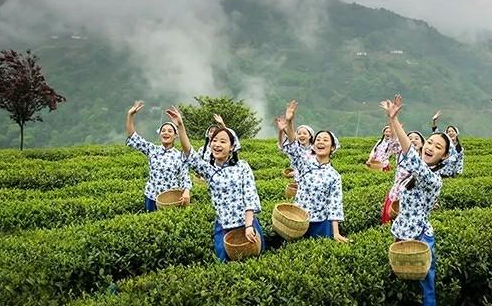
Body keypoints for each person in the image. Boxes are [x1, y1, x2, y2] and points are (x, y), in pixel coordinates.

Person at [382, 95, 446, 306]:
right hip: (402, 234)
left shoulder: (431, 177)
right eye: (429, 142)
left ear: (443, 158)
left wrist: (394, 120)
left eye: (437, 147)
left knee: (424, 288)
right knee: (405, 287)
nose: (430, 147)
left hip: (419, 238)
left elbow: (409, 151)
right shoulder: (415, 173)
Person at [166, 107, 265, 262]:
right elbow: (189, 154)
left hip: (246, 225)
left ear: (232, 147)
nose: (217, 144)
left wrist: (248, 226)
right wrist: (180, 126)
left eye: (223, 141)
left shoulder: (242, 167)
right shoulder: (209, 169)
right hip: (223, 226)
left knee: (253, 264)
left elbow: (250, 197)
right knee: (224, 267)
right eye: (214, 141)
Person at [275, 100, 348, 241]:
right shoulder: (305, 163)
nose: (320, 142)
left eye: (325, 140)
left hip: (322, 224)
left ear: (332, 147)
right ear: (313, 146)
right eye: (318, 139)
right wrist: (290, 122)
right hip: (299, 221)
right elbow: (293, 145)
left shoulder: (334, 176)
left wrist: (336, 233)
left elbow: (335, 204)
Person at [125, 101, 191, 212]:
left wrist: (186, 191)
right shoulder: (152, 149)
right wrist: (130, 115)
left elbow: (185, 176)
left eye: (170, 131)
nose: (166, 133)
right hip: (151, 196)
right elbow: (133, 136)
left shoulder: (179, 155)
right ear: (160, 135)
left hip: (170, 199)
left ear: (175, 136)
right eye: (163, 131)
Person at [381, 130, 425, 224]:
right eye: (409, 139)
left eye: (416, 138)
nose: (413, 140)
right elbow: (393, 142)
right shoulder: (401, 155)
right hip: (396, 197)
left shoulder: (425, 161)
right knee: (390, 225)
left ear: (422, 144)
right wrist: (393, 122)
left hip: (413, 201)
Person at [431, 111, 464, 177]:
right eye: (449, 131)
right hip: (439, 173)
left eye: (452, 131)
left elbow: (460, 162)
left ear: (456, 133)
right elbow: (436, 134)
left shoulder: (460, 149)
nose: (451, 133)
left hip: (450, 175)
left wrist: (457, 174)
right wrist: (434, 121)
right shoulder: (444, 144)